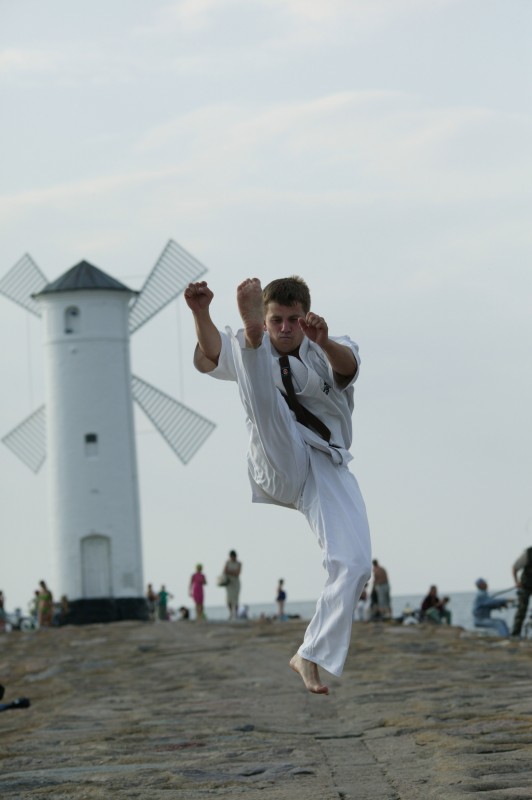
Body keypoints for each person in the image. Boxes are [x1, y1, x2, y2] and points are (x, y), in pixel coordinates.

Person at [185, 276, 371, 694]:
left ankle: (310, 653)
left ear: (305, 317)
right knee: (264, 402)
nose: (285, 328)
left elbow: (348, 368)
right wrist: (201, 313)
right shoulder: (253, 343)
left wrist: (323, 341)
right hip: (278, 461)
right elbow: (211, 352)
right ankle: (251, 342)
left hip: (327, 461)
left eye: (292, 320)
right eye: (276, 320)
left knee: (356, 564)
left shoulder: (328, 346)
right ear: (266, 320)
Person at [511, 547, 532, 637]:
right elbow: (515, 567)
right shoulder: (529, 553)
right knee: (522, 610)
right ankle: (515, 634)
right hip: (526, 585)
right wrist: (516, 582)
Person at [223, 550, 242, 620]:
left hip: (236, 583)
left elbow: (237, 573)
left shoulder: (239, 563)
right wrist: (233, 572)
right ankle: (231, 613)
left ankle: (236, 614)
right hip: (229, 583)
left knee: (236, 599)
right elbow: (225, 571)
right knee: (229, 600)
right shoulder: (227, 563)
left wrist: (230, 572)